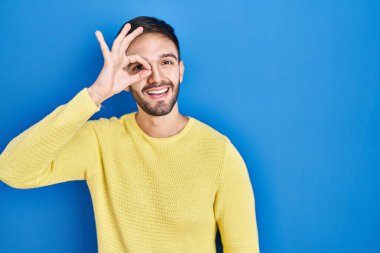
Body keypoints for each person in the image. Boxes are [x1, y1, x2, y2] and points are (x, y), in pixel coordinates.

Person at [0, 16, 260, 252]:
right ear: (123, 77)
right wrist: (96, 94)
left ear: (180, 70)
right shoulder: (101, 142)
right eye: (139, 67)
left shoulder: (219, 152)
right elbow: (12, 170)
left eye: (166, 62)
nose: (156, 78)